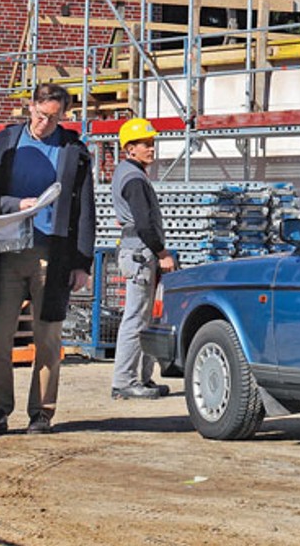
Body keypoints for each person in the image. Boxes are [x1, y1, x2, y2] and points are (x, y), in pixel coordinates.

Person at [0, 83, 95, 435]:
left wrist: (82, 262)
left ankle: (41, 413)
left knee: (47, 339)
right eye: (41, 115)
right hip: (5, 253)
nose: (45, 123)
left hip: (52, 255)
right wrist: (15, 205)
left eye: (54, 118)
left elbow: (85, 208)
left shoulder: (73, 150)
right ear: (30, 107)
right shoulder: (5, 142)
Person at [110, 118, 175, 399]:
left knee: (145, 318)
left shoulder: (129, 173)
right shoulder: (134, 178)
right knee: (136, 318)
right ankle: (124, 382)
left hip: (137, 251)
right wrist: (162, 253)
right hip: (140, 253)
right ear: (130, 148)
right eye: (145, 144)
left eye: (152, 143)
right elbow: (144, 223)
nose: (151, 148)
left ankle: (143, 378)